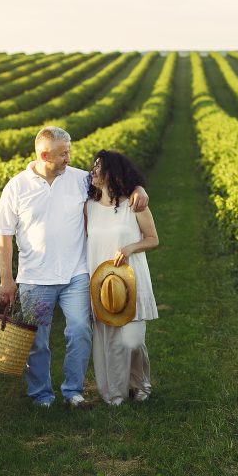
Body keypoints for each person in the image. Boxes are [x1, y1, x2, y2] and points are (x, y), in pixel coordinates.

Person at [0, 127, 148, 408]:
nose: (69, 158)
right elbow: (3, 237)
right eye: (63, 153)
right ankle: (41, 395)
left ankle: (73, 391)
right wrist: (7, 279)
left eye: (69, 152)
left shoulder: (79, 179)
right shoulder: (16, 187)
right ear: (44, 154)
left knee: (79, 330)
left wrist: (139, 188)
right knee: (37, 341)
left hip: (76, 274)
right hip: (34, 278)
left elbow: (117, 180)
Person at [85, 149, 159, 406]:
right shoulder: (88, 207)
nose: (92, 171)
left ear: (113, 173)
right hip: (101, 279)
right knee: (108, 338)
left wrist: (130, 248)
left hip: (130, 277)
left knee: (132, 338)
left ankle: (140, 384)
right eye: (92, 167)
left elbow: (153, 239)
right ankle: (114, 392)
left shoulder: (134, 204)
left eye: (98, 167)